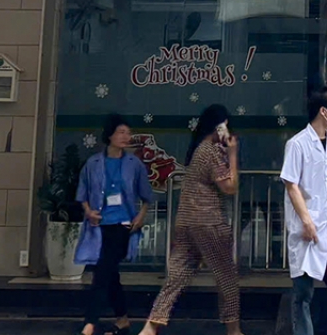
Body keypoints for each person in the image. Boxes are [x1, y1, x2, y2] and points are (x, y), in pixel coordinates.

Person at [140, 105, 241, 335]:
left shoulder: (197, 150)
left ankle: (150, 327)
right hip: (209, 222)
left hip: (187, 220)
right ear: (219, 127)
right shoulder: (212, 152)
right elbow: (230, 187)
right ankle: (233, 330)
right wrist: (233, 154)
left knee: (176, 277)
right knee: (226, 276)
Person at [281, 87, 327, 335]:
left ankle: (324, 330)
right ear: (323, 112)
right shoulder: (297, 144)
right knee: (303, 292)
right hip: (308, 228)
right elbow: (292, 185)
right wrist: (307, 221)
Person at [76, 114, 156, 335]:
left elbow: (147, 195)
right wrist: (88, 211)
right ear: (110, 135)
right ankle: (122, 320)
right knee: (110, 274)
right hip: (99, 225)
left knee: (102, 272)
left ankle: (90, 322)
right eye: (121, 132)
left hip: (123, 224)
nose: (126, 137)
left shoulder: (134, 164)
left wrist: (141, 216)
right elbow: (82, 192)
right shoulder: (93, 163)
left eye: (128, 133)